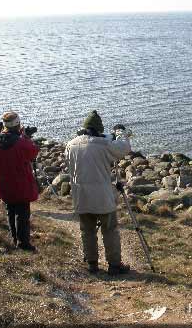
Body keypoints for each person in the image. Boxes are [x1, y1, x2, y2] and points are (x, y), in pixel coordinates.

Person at [65, 110, 131, 275]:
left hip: (81, 195)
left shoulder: (71, 144)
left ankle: (92, 263)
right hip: (102, 196)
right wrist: (119, 132)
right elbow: (124, 148)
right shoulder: (103, 144)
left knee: (87, 230)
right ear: (99, 129)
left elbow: (69, 161)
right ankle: (114, 265)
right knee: (109, 230)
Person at [0, 112, 39, 252]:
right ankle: (24, 243)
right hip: (21, 184)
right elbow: (33, 152)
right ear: (18, 125)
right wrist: (27, 138)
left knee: (10, 210)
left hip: (4, 183)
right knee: (22, 214)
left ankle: (14, 239)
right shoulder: (22, 142)